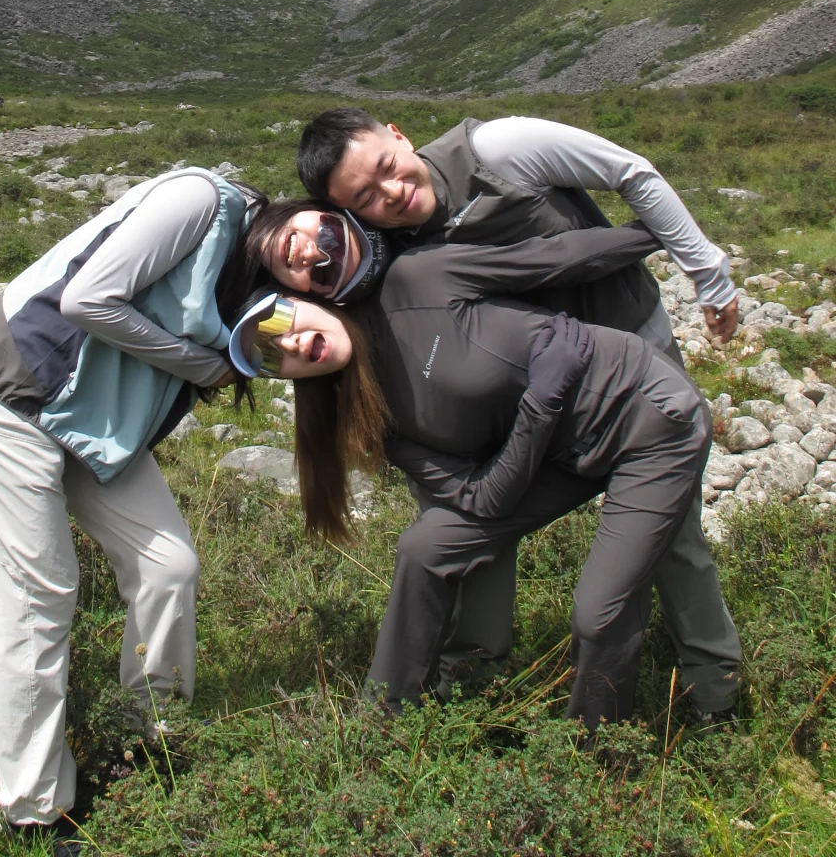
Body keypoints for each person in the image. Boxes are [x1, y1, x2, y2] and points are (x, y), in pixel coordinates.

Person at [294, 109, 742, 722]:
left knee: (675, 536)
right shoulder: (393, 249)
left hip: (629, 356)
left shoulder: (500, 149)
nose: (392, 194)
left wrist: (707, 272)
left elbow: (630, 173)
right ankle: (473, 677)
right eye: (365, 198)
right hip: (538, 396)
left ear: (398, 135)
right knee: (456, 529)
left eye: (388, 168)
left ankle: (713, 695)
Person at [228, 208, 714, 730]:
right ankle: (383, 722)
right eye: (269, 356)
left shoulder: (418, 281)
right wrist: (541, 405)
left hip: (647, 418)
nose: (291, 344)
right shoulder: (372, 419)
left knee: (598, 615)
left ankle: (601, 764)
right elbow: (483, 501)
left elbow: (553, 260)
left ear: (307, 300)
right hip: (558, 453)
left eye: (280, 322)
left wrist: (666, 231)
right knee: (426, 546)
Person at [0, 167, 257, 846]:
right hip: (9, 395)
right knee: (33, 596)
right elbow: (89, 300)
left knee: (169, 566)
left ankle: (148, 742)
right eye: (319, 230)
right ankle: (36, 809)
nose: (314, 256)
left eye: (331, 269)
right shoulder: (201, 200)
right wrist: (205, 367)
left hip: (91, 422)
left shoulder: (257, 292)